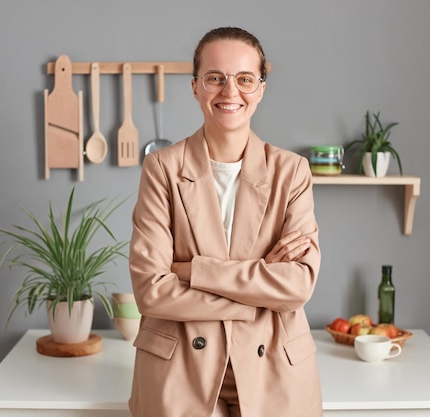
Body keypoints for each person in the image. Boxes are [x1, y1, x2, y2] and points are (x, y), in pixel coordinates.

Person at [128, 26, 322, 417]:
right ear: (196, 86)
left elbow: (298, 284)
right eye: (215, 78)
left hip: (276, 374)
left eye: (245, 79)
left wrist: (193, 271)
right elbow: (151, 291)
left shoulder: (292, 172)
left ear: (262, 88)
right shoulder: (162, 168)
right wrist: (257, 293)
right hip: (178, 373)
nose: (230, 92)